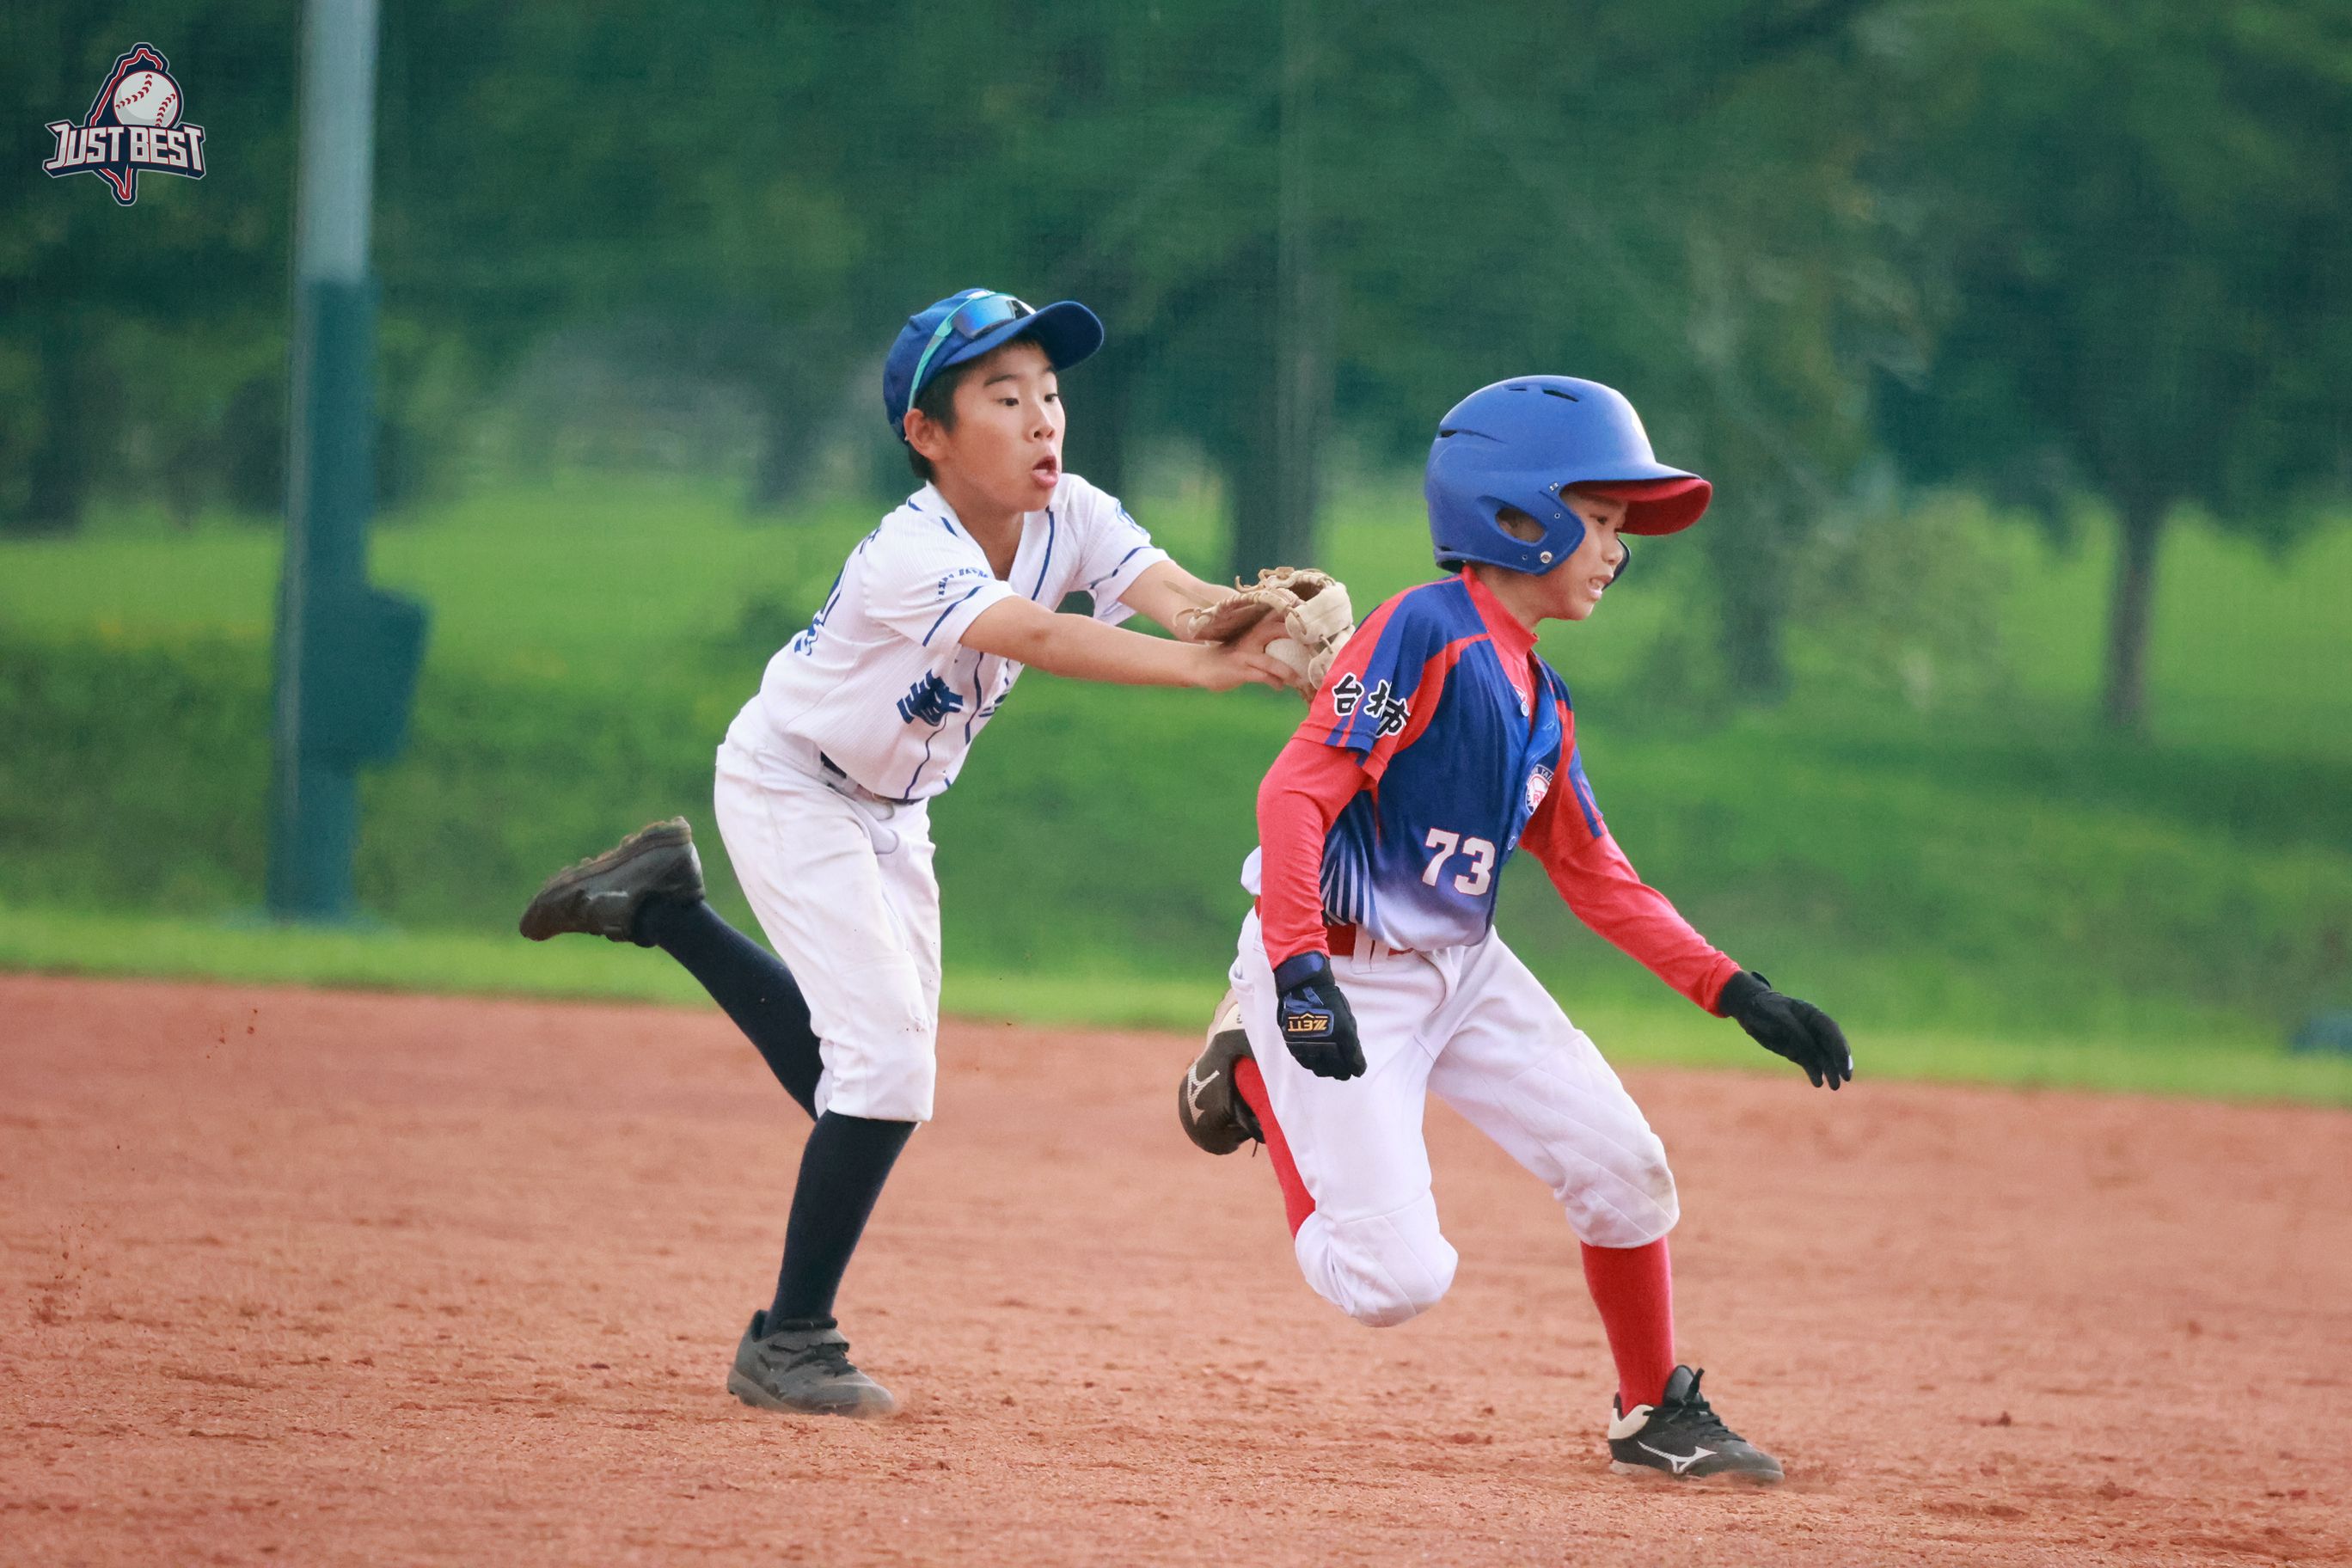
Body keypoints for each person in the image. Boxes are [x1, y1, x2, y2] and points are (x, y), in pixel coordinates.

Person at [521, 289, 1304, 1418]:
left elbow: (1178, 601)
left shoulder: (1073, 512)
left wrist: (1256, 618)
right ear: (927, 436)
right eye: (1003, 397)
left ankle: (660, 907)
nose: (1043, 418)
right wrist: (1207, 670)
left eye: (1049, 392)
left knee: (881, 1078)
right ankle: (788, 1340)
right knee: (882, 1072)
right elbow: (1035, 633)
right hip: (793, 785)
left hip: (897, 811)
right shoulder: (910, 550)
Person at [1176, 375, 1853, 1483]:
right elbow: (1298, 795)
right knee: (1397, 1284)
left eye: (1621, 529)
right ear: (1514, 511)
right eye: (1598, 521)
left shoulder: (1543, 699)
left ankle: (1653, 1414)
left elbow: (1598, 878)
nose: (1616, 550)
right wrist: (1296, 974)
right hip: (1339, 969)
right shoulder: (1423, 630)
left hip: (1465, 968)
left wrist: (1742, 991)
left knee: (1627, 1171)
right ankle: (1248, 1077)